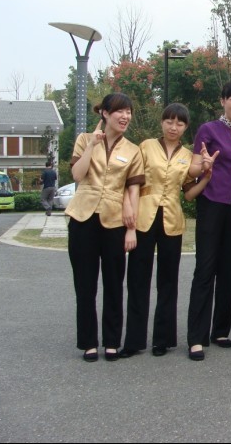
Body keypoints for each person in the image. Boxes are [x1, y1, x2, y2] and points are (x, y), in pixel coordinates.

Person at [118, 103, 212, 359]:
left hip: (172, 220)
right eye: (169, 121)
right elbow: (131, 181)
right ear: (162, 122)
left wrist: (206, 175)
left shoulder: (188, 154)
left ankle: (163, 339)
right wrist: (129, 219)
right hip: (143, 217)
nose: (173, 127)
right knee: (138, 279)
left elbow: (189, 194)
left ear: (185, 127)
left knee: (168, 282)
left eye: (179, 123)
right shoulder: (146, 146)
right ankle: (134, 340)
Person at [66, 93, 144, 362]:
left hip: (114, 222)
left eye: (128, 112)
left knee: (114, 283)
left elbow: (133, 190)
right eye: (120, 111)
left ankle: (111, 342)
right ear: (105, 114)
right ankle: (88, 343)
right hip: (83, 218)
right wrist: (91, 145)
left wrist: (131, 228)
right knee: (85, 285)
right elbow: (77, 175)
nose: (125, 116)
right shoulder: (84, 139)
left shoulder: (133, 150)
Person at [187, 82, 231, 361]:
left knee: (228, 269)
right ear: (223, 101)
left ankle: (221, 330)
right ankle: (196, 337)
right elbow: (193, 166)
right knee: (205, 268)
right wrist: (203, 166)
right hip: (212, 202)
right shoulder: (208, 129)